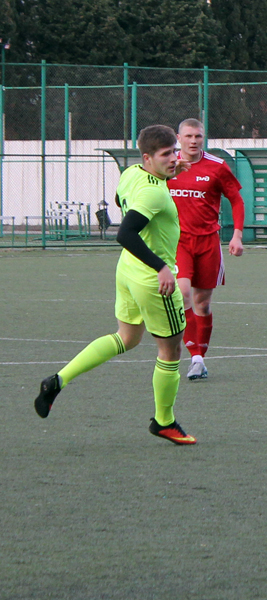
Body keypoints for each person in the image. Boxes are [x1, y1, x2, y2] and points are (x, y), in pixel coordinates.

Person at [34, 124, 196, 445]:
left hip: (128, 271)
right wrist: (162, 267)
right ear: (148, 158)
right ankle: (163, 421)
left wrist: (169, 172)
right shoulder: (153, 192)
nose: (174, 159)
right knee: (171, 350)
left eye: (175, 152)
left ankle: (57, 381)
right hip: (152, 280)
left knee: (126, 337)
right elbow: (125, 233)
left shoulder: (132, 173)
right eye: (167, 154)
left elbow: (125, 198)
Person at [167, 118, 245, 380]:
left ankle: (200, 357)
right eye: (188, 136)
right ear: (179, 138)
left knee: (203, 303)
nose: (193, 141)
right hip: (178, 242)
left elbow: (236, 200)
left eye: (198, 136)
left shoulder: (217, 166)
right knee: (182, 293)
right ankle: (195, 357)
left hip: (208, 242)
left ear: (203, 138)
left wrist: (237, 235)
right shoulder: (168, 165)